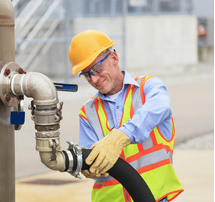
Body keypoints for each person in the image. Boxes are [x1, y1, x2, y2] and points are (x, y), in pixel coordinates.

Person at [68, 30, 183, 202]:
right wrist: (88, 168)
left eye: (97, 69)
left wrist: (121, 136)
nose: (93, 79)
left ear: (114, 58)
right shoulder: (88, 112)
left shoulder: (147, 89)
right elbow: (93, 164)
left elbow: (161, 106)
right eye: (86, 74)